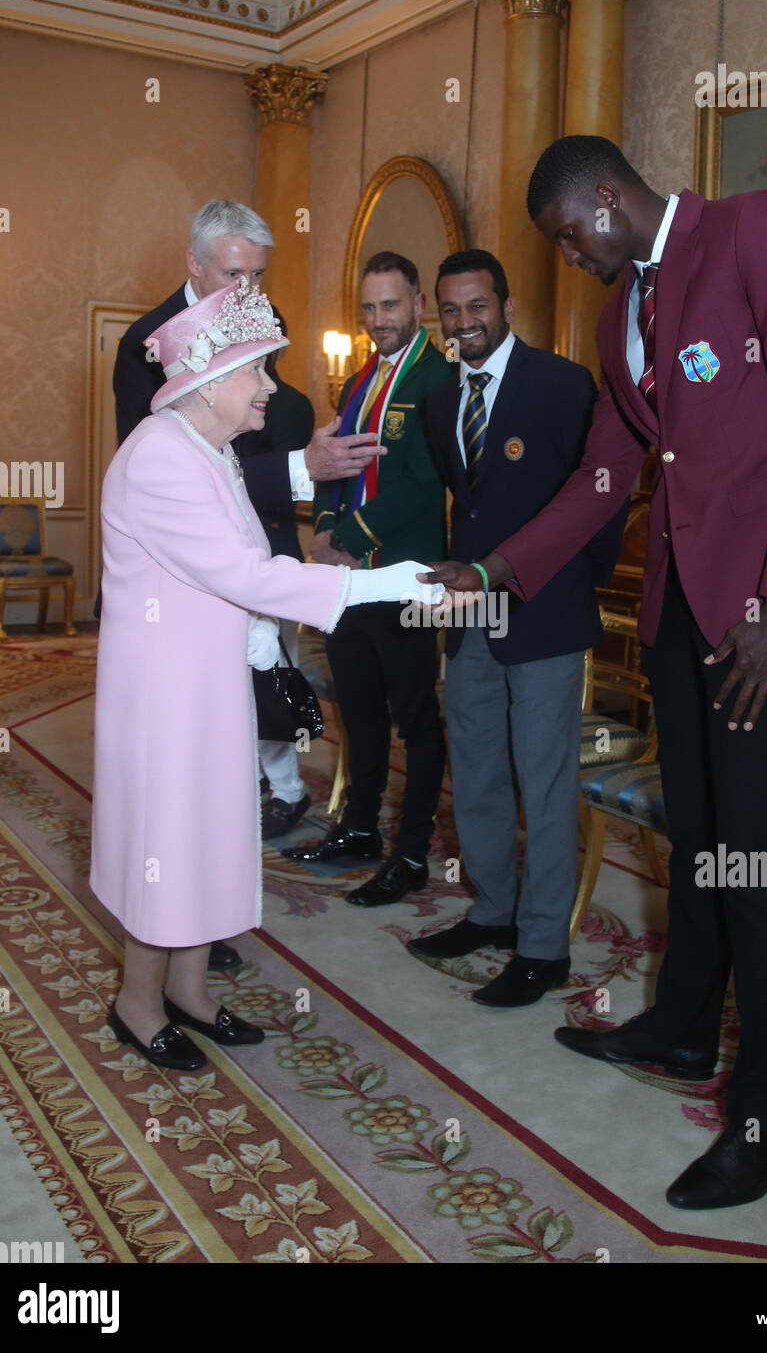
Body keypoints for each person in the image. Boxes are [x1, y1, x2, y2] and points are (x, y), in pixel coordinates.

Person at [424, 136, 767, 1209]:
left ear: (609, 197)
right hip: (681, 612)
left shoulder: (753, 230)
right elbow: (603, 475)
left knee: (760, 862)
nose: (570, 256)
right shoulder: (617, 310)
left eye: (570, 235)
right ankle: (681, 1026)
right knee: (698, 836)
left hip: (764, 614)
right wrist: (497, 563)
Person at [92, 277, 441, 1070]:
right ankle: (137, 1004)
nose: (271, 388)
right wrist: (377, 583)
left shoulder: (204, 450)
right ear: (213, 382)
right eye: (259, 372)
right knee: (167, 845)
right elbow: (246, 576)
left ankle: (188, 989)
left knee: (211, 834)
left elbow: (252, 559)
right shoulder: (159, 459)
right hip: (165, 697)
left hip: (206, 685)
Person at [112, 200, 386, 963]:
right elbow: (176, 478)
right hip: (182, 615)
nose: (249, 289)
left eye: (259, 275)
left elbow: (236, 453)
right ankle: (172, 951)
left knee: (226, 796)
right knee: (177, 811)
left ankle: (200, 948)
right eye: (236, 273)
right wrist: (302, 471)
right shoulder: (152, 352)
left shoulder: (243, 346)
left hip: (247, 594)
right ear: (194, 265)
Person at [408, 249, 626, 1006]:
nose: (464, 321)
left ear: (505, 307)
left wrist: (572, 587)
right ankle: (494, 912)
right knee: (475, 776)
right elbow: (461, 508)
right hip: (470, 621)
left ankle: (542, 947)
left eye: (477, 306)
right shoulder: (440, 402)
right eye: (451, 310)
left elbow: (599, 503)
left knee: (545, 780)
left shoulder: (563, 386)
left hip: (547, 617)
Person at [285, 252, 453, 909]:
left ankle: (409, 853)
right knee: (356, 710)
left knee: (415, 718)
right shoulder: (358, 381)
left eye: (389, 305)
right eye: (368, 309)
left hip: (405, 578)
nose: (378, 319)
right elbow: (333, 469)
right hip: (349, 581)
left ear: (417, 304)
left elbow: (425, 485)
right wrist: (326, 533)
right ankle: (357, 829)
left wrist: (349, 538)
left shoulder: (437, 378)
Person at [239, 310, 316, 840]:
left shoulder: (289, 406)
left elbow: (265, 479)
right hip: (224, 557)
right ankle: (246, 783)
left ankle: (287, 789)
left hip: (274, 558)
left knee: (271, 683)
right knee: (230, 686)